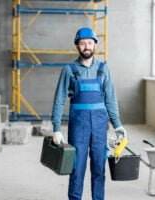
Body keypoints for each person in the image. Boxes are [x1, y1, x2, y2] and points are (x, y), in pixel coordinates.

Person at [51, 27, 127, 200]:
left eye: (90, 43)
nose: (86, 46)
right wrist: (56, 128)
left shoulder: (103, 69)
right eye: (83, 43)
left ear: (95, 45)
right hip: (79, 127)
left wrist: (118, 125)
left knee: (99, 169)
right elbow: (59, 99)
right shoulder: (69, 70)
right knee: (76, 169)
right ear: (77, 46)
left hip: (100, 127)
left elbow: (111, 99)